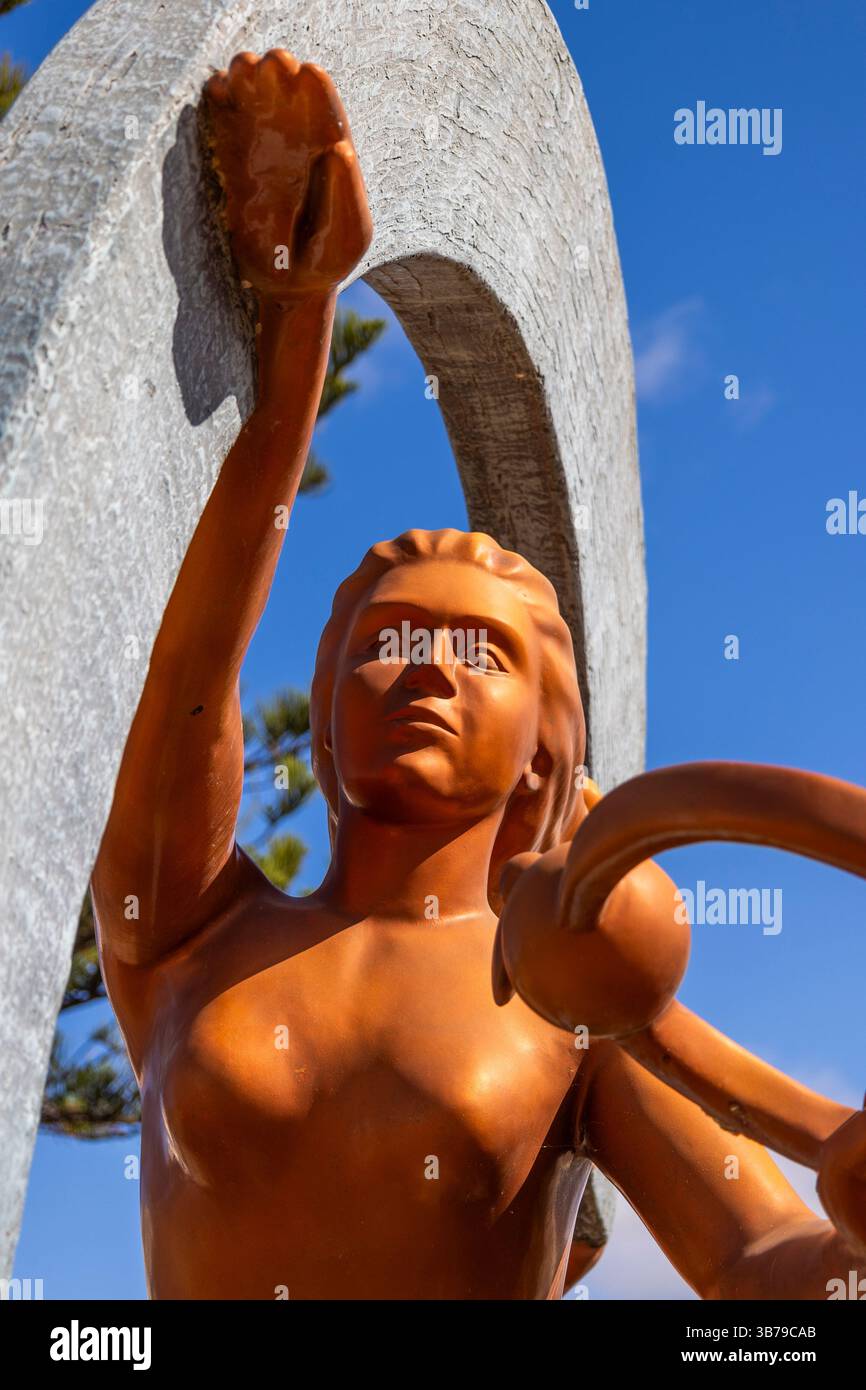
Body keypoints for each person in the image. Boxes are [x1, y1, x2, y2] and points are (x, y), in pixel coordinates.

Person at [92, 49, 865, 1300]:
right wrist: (297, 337)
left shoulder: (571, 999)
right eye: (383, 647)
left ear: (547, 744)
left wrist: (846, 1260)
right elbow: (183, 662)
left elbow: (760, 1257)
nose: (424, 673)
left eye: (479, 651)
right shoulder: (185, 931)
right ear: (323, 729)